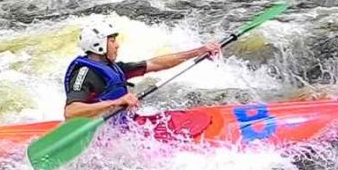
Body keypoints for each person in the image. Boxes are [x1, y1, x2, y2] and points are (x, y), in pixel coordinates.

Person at [63, 22, 221, 120]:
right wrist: (116, 102)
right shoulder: (84, 73)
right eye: (112, 41)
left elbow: (156, 63)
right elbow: (71, 111)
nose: (117, 45)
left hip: (121, 127)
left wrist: (198, 51)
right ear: (98, 45)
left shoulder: (113, 67)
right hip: (98, 135)